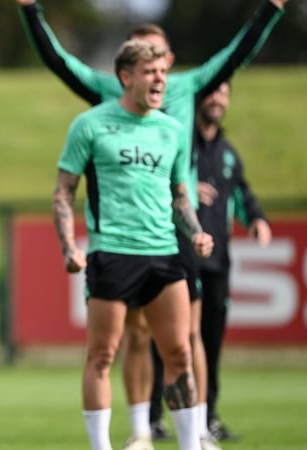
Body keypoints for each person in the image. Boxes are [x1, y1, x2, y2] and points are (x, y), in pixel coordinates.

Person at [15, 1, 289, 447]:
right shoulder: (98, 107)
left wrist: (271, 10)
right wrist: (31, 10)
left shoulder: (184, 95)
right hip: (115, 244)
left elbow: (236, 55)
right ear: (128, 70)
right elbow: (58, 62)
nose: (158, 74)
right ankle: (140, 430)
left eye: (161, 62)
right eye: (147, 62)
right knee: (123, 343)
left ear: (170, 60)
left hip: (170, 239)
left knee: (184, 342)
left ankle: (196, 433)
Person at [51, 38, 214, 450]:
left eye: (163, 71)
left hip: (164, 253)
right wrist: (69, 246)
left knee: (178, 352)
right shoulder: (89, 124)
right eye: (150, 71)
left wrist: (194, 230)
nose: (161, 79)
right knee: (103, 355)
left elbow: (180, 195)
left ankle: (192, 444)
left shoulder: (172, 130)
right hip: (112, 253)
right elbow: (63, 192)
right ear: (127, 77)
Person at [193, 81, 271, 441]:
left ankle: (208, 416)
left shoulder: (228, 154)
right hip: (182, 259)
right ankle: (153, 417)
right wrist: (186, 188)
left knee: (211, 341)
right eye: (212, 92)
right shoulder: (180, 146)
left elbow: (243, 194)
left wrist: (256, 219)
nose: (218, 99)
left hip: (218, 263)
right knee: (172, 341)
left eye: (224, 93)